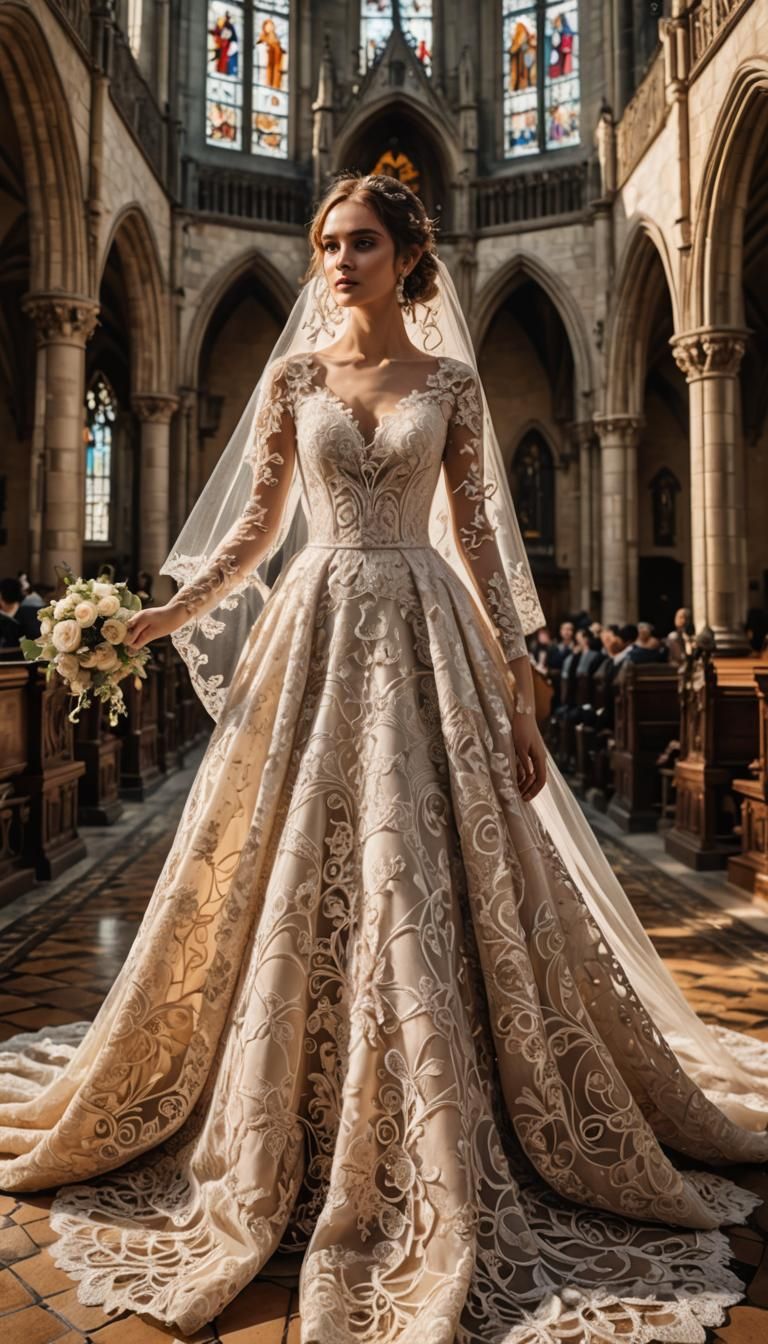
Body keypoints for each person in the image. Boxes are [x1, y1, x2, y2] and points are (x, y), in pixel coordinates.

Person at [0, 172, 767, 1344]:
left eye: (358, 243)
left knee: (425, 870)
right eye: (325, 244)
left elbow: (479, 540)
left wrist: (517, 692)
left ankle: (443, 1115)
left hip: (425, 627)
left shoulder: (451, 383)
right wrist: (164, 614)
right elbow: (259, 527)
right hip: (311, 626)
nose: (336, 262)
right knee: (287, 853)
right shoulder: (296, 377)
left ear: (411, 255)